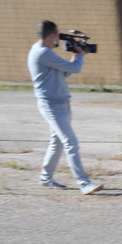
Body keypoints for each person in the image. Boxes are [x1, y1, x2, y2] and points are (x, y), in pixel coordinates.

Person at [28, 21, 103, 194]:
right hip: (51, 104)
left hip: (60, 102)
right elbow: (75, 69)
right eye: (57, 37)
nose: (58, 41)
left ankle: (45, 178)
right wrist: (80, 54)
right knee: (71, 143)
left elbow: (67, 71)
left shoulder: (44, 52)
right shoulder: (42, 53)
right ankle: (84, 183)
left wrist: (77, 56)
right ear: (52, 36)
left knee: (57, 143)